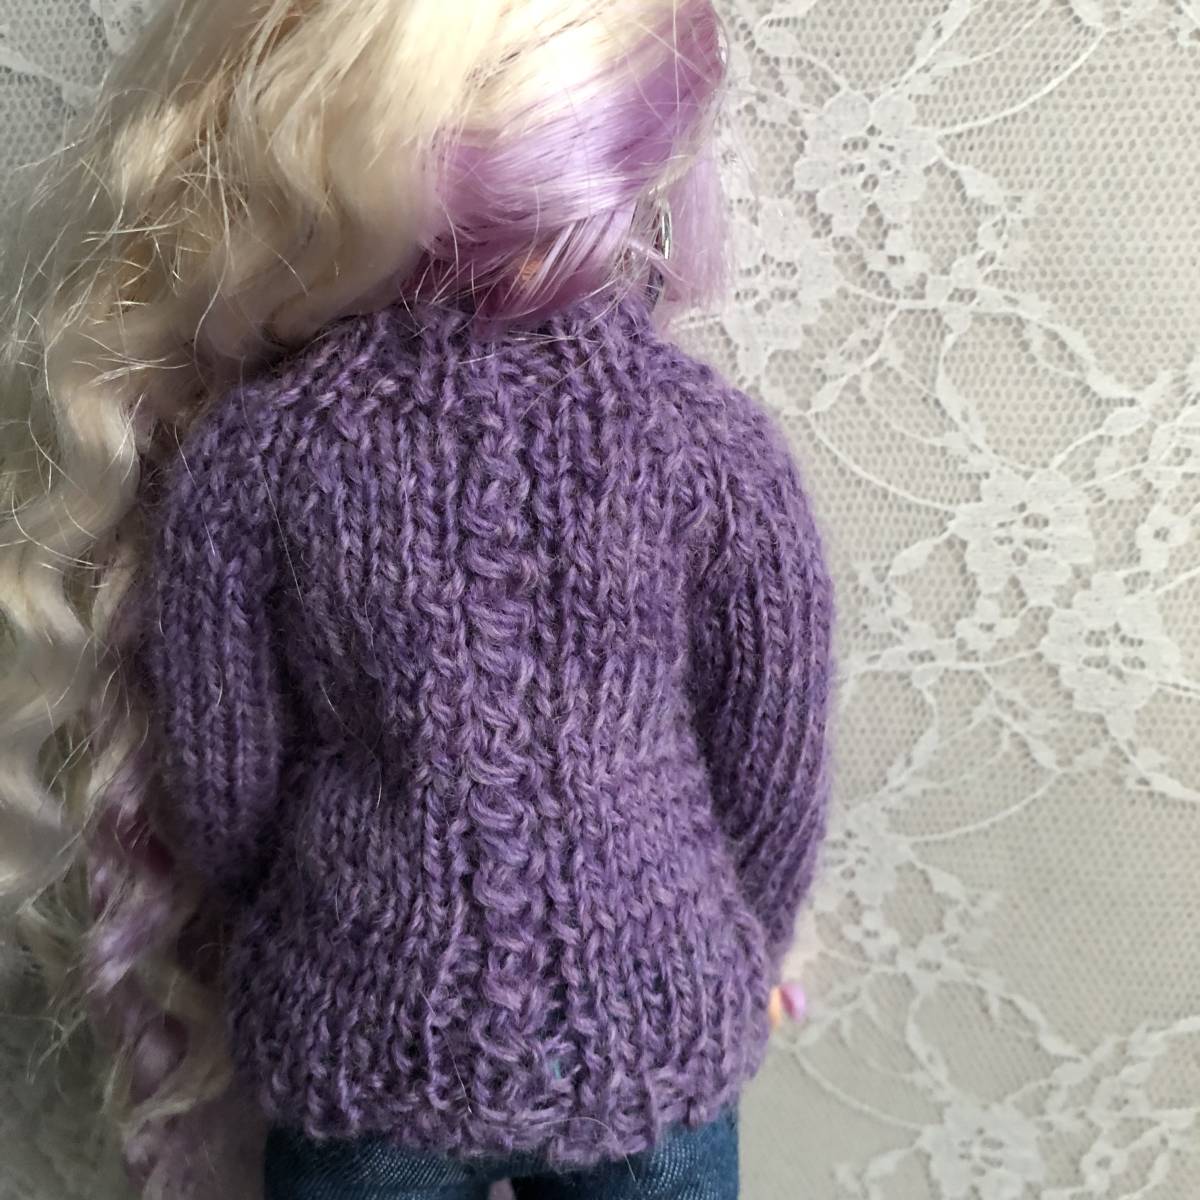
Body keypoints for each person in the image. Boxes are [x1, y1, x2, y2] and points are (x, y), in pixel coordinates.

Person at [0, 3, 833, 1197]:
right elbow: (769, 771)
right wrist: (744, 940)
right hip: (651, 1012)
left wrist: (301, 919)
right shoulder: (712, 450)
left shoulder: (268, 453)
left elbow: (229, 787)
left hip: (366, 1011)